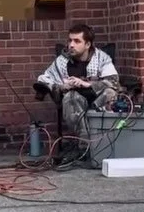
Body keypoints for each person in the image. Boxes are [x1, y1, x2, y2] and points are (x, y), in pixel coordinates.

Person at [34, 24, 119, 163]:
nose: (71, 45)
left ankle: (99, 143)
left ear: (87, 44)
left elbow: (113, 82)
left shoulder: (101, 58)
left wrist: (88, 84)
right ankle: (85, 147)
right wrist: (63, 86)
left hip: (97, 100)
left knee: (110, 93)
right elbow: (44, 79)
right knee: (71, 97)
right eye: (70, 40)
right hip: (75, 101)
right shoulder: (62, 61)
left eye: (77, 41)